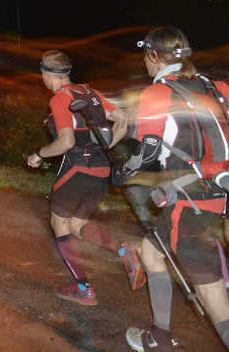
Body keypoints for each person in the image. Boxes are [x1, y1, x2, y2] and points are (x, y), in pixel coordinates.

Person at [124, 27, 229, 351]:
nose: (145, 63)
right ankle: (158, 336)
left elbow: (150, 150)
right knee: (148, 252)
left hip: (191, 201)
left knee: (213, 295)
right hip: (219, 190)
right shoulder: (217, 86)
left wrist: (127, 169)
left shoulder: (156, 94)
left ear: (154, 56)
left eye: (146, 57)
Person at [26, 50, 143, 307]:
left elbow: (65, 142)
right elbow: (123, 119)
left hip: (76, 170)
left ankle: (83, 287)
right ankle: (123, 248)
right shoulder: (89, 92)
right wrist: (105, 146)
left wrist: (38, 155)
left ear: (46, 75)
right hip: (101, 170)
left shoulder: (59, 99)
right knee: (78, 225)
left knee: (60, 225)